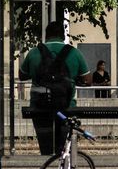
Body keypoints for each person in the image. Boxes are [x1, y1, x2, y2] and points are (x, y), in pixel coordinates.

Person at [18, 19, 91, 155]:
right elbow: (87, 79)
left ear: (46, 35)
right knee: (63, 147)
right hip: (67, 106)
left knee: (45, 147)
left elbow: (22, 75)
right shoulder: (74, 53)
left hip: (39, 106)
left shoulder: (34, 52)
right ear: (63, 35)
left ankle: (47, 166)